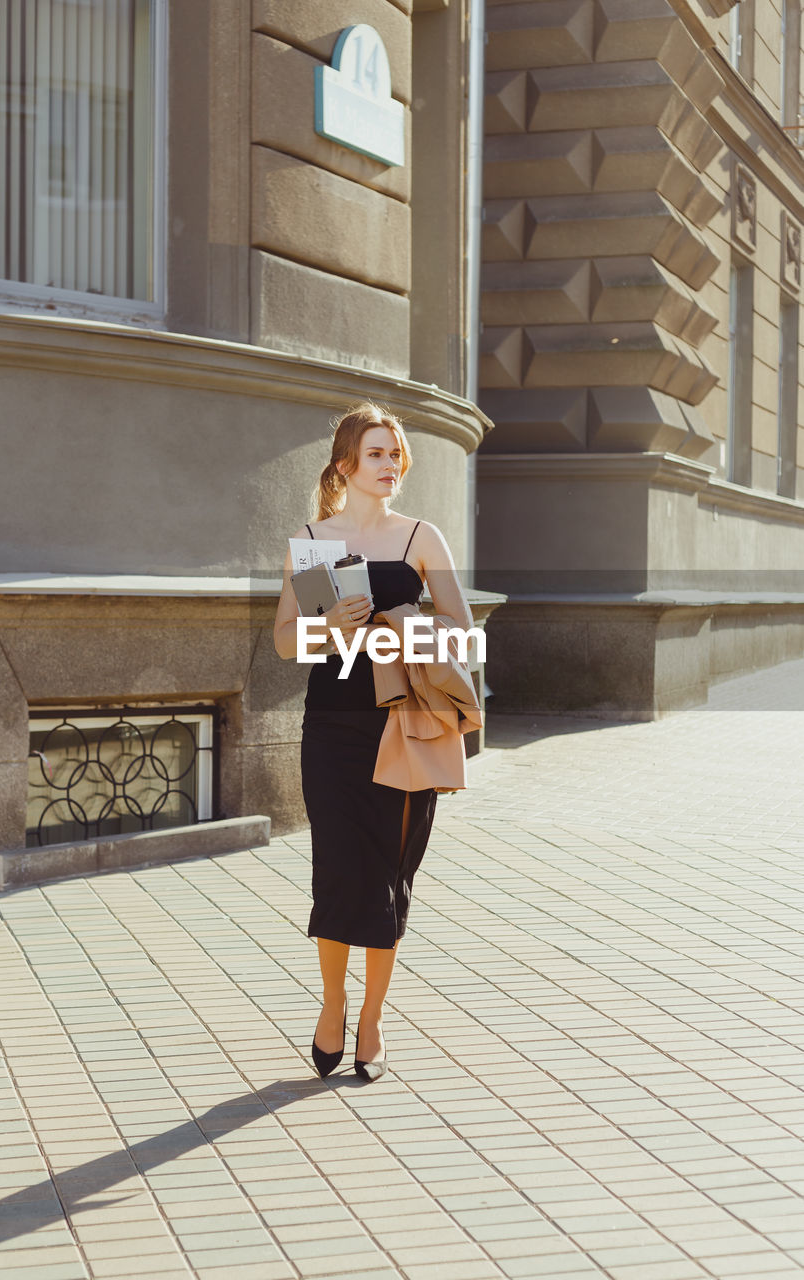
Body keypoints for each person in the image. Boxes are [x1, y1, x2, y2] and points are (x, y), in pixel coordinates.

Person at [274, 402, 473, 1082]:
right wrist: (332, 626)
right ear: (345, 465)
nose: (391, 466)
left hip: (406, 726)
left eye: (396, 455)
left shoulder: (421, 537)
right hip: (331, 727)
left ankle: (372, 1019)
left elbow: (464, 632)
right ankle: (331, 1006)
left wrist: (398, 617)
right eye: (378, 454)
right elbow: (285, 642)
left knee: (389, 877)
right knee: (336, 872)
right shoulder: (315, 542)